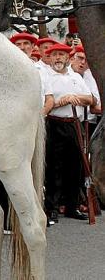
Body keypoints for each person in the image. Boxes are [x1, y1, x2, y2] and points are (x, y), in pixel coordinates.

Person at [43, 43, 94, 224]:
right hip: (54, 123)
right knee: (53, 167)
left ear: (67, 58)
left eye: (61, 55)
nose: (58, 58)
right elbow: (44, 102)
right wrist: (61, 102)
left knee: (75, 166)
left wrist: (75, 98)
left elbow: (91, 99)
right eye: (54, 55)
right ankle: (52, 208)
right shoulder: (46, 76)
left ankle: (72, 206)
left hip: (74, 125)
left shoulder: (76, 77)